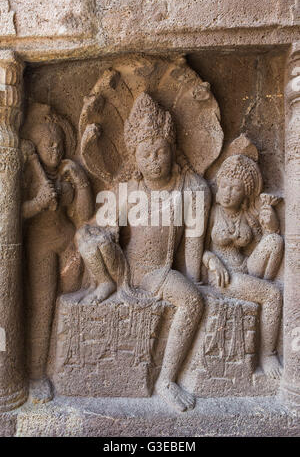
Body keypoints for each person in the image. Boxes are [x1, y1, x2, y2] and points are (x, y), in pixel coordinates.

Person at [76, 93, 211, 411]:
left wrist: (199, 270)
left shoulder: (190, 189)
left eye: (160, 150)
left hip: (157, 272)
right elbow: (101, 225)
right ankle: (105, 284)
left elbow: (194, 244)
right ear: (134, 157)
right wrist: (100, 235)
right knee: (86, 239)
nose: (154, 158)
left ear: (173, 148)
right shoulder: (130, 190)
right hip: (126, 267)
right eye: (145, 153)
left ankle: (167, 379)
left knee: (192, 299)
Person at [23, 116, 93, 403]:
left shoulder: (63, 173)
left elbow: (84, 213)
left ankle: (74, 358)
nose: (54, 148)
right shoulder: (28, 175)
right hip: (41, 246)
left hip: (67, 240)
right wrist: (38, 202)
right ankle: (38, 373)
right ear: (35, 148)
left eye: (59, 143)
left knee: (78, 292)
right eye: (48, 144)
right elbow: (12, 213)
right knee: (43, 305)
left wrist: (79, 179)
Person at [203, 154, 284, 379]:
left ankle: (259, 295)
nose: (228, 193)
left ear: (245, 194)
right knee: (273, 295)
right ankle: (268, 354)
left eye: (235, 189)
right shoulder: (212, 212)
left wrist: (271, 224)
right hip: (223, 276)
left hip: (246, 268)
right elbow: (196, 249)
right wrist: (212, 261)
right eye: (225, 186)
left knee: (275, 241)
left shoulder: (246, 215)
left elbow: (262, 244)